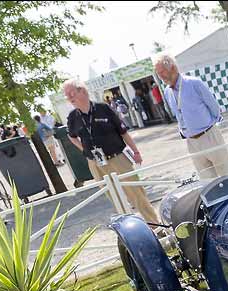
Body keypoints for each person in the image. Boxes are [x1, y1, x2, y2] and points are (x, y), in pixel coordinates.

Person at [62, 78, 159, 221]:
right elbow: (72, 136)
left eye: (71, 93)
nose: (69, 98)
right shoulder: (72, 117)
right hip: (96, 164)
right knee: (115, 198)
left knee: (136, 194)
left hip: (118, 158)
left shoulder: (104, 108)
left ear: (82, 90)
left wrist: (136, 152)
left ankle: (156, 225)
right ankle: (131, 230)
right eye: (66, 95)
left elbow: (123, 132)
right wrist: (85, 150)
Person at [154, 52, 228, 179]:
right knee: (207, 181)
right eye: (158, 73)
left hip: (209, 135)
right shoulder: (167, 92)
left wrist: (209, 127)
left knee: (227, 174)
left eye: (162, 71)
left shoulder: (194, 83)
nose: (161, 76)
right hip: (191, 142)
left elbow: (214, 107)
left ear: (173, 68)